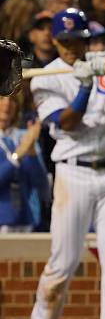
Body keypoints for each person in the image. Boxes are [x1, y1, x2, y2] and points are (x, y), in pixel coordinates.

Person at [27, 8, 105, 319]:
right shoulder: (46, 76)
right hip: (72, 174)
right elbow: (66, 123)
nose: (68, 47)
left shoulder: (104, 56)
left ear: (85, 39)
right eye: (63, 41)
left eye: (75, 40)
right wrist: (84, 86)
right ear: (54, 40)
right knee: (63, 263)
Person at [0, 94, 49, 232]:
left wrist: (32, 151)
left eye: (12, 100)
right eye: (1, 98)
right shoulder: (22, 143)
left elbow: (41, 185)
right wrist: (16, 156)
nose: (7, 104)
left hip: (27, 221)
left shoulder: (24, 136)